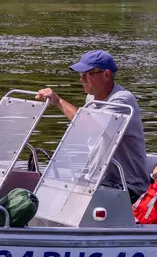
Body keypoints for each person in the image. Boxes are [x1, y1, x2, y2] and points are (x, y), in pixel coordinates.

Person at [37, 50, 149, 198]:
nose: (81, 80)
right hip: (100, 182)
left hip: (127, 186)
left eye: (86, 74)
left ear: (106, 75)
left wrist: (59, 101)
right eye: (80, 75)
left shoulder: (122, 100)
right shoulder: (91, 99)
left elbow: (94, 129)